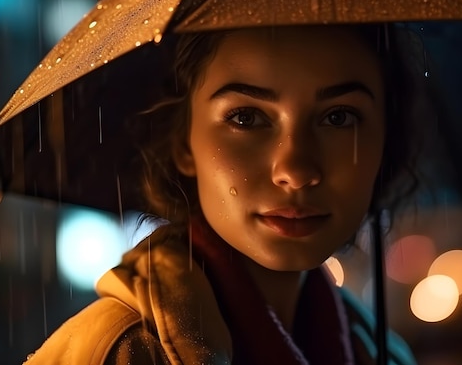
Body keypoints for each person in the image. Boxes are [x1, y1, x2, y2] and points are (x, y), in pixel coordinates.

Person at [23, 24, 418, 365]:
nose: (295, 172)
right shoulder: (117, 353)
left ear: (385, 139)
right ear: (183, 142)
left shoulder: (385, 352)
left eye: (339, 117)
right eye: (245, 117)